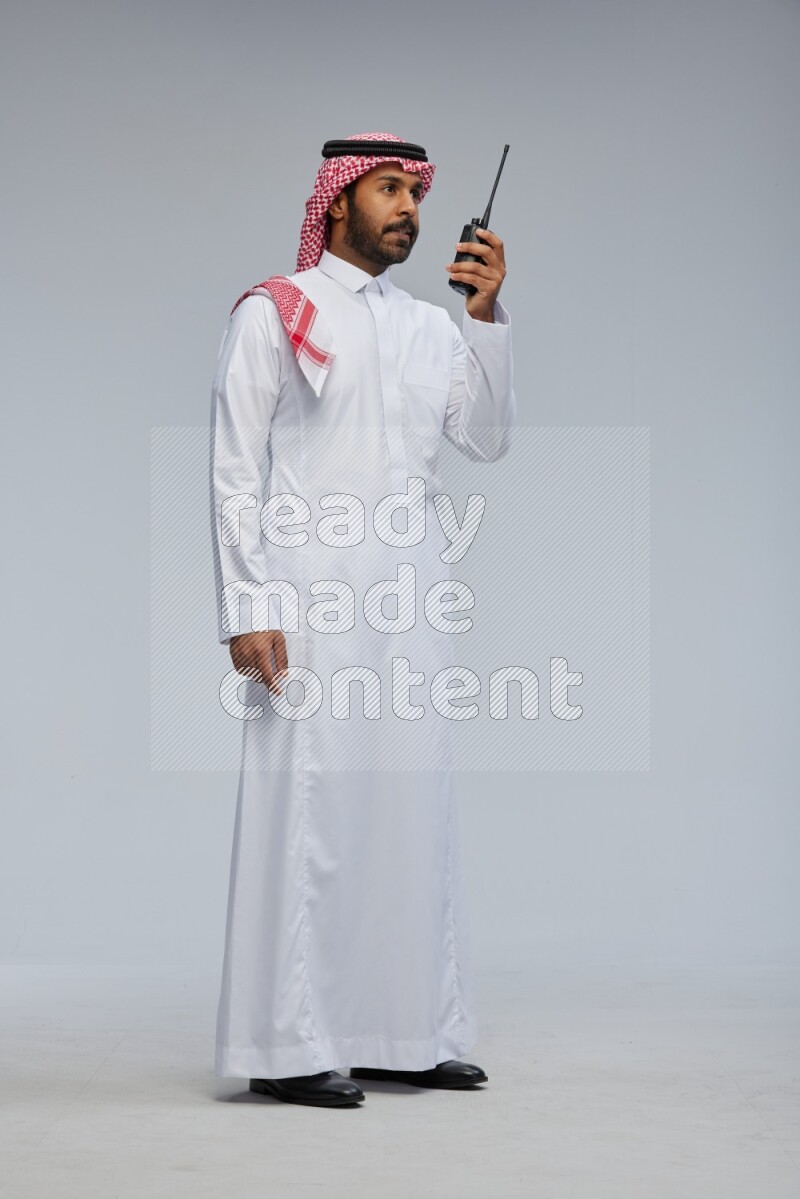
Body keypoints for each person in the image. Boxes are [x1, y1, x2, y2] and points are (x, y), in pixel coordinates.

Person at [208, 132, 516, 1108]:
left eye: (415, 194)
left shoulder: (433, 325)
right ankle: (287, 1042)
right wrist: (247, 607)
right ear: (336, 200)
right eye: (387, 189)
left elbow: (485, 437)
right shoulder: (277, 310)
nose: (407, 210)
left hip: (410, 598)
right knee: (310, 813)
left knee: (408, 809)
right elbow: (233, 466)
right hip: (308, 599)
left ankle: (408, 1029)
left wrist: (485, 315)